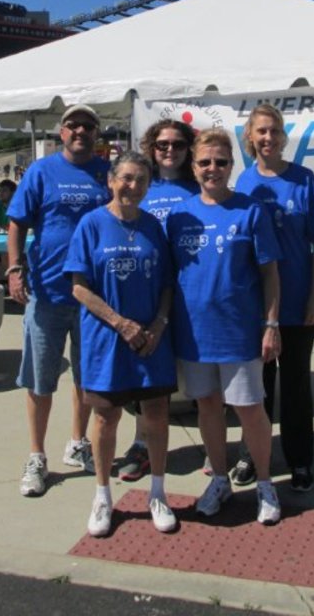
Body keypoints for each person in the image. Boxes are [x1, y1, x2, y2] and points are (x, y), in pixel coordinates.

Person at [166, 128, 283, 526]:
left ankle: (265, 483)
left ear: (232, 165)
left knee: (250, 410)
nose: (212, 169)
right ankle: (219, 478)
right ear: (193, 166)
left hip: (240, 332)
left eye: (220, 162)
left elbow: (270, 274)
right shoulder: (179, 216)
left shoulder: (250, 210)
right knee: (208, 407)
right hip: (194, 333)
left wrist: (271, 324)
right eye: (204, 162)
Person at [65, 151, 177, 537]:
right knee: (106, 418)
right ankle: (102, 495)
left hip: (151, 339)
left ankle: (158, 493)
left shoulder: (154, 227)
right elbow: (79, 287)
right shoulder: (91, 225)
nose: (133, 186)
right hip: (108, 340)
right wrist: (119, 323)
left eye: (141, 180)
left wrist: (159, 325)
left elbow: (166, 283)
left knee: (156, 414)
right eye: (126, 178)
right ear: (111, 181)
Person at [232, 104, 314, 493]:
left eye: (274, 131)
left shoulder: (304, 181)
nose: (267, 138)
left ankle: (300, 460)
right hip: (252, 307)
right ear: (249, 138)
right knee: (254, 388)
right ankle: (251, 455)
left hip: (297, 304)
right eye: (260, 131)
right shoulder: (242, 183)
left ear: (283, 137)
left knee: (295, 385)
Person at [6, 105, 111, 497]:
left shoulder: (107, 173)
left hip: (94, 295)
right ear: (61, 133)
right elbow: (16, 223)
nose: (81, 131)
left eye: (88, 125)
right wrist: (15, 270)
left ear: (97, 133)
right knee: (40, 378)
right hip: (47, 293)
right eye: (73, 125)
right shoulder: (41, 172)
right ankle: (37, 456)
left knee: (87, 376)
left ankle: (77, 442)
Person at [115, 118, 198, 483]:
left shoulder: (199, 187)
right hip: (148, 296)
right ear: (151, 147)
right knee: (146, 373)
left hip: (191, 296)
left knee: (199, 377)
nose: (169, 150)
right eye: (162, 144)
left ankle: (216, 445)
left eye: (178, 144)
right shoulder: (141, 186)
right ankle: (141, 444)